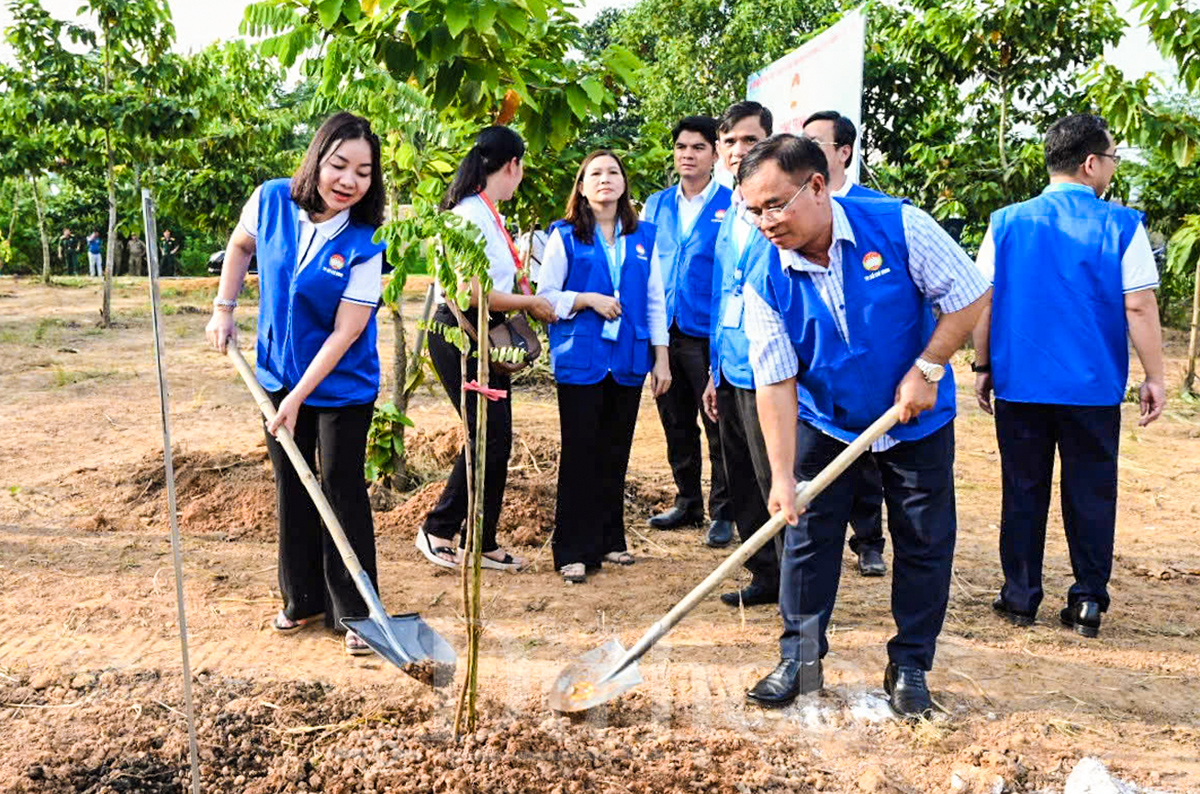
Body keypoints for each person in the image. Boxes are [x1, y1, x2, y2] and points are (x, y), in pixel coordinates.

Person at [739, 135, 991, 717]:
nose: (766, 222)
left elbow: (971, 293)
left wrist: (929, 367)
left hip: (915, 419)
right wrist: (781, 478)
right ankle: (800, 659)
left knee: (925, 540)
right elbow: (774, 381)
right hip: (827, 421)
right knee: (806, 539)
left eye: (776, 204)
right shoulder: (760, 273)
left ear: (819, 185)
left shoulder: (899, 225)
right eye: (754, 211)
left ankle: (910, 664)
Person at [974, 113, 1165, 639]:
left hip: (1021, 381)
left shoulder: (1006, 222)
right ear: (1090, 163)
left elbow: (983, 301)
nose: (1112, 169)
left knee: (1022, 488)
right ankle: (1087, 602)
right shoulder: (1122, 224)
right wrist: (1155, 375)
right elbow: (1141, 308)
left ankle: (1019, 597)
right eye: (1112, 159)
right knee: (1091, 491)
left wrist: (983, 365)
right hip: (1092, 386)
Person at [204, 112, 388, 657]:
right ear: (317, 160)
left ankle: (356, 613)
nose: (349, 181)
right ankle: (302, 597)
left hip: (343, 386)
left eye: (363, 171)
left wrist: (298, 400)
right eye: (339, 165)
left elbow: (346, 331)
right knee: (292, 483)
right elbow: (239, 248)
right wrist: (224, 308)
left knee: (340, 487)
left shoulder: (367, 239)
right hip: (277, 374)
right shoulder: (271, 201)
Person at [414, 126, 558, 573]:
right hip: (460, 336)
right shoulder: (468, 216)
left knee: (496, 440)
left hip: (483, 336)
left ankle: (481, 539)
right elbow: (467, 292)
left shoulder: (487, 213)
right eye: (522, 168)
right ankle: (438, 529)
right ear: (512, 165)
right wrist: (530, 302)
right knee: (485, 437)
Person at [537, 151, 671, 583]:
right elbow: (546, 298)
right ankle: (572, 549)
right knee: (580, 453)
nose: (605, 179)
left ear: (624, 184)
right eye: (595, 173)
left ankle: (611, 539)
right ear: (581, 186)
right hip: (582, 356)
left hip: (629, 357)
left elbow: (655, 300)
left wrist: (661, 357)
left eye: (613, 172)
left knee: (616, 450)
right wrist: (586, 300)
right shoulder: (564, 236)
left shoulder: (644, 236)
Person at [698, 101, 781, 606]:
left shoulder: (781, 207)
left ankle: (798, 583)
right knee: (743, 478)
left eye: (749, 141)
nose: (737, 150)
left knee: (776, 477)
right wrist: (712, 369)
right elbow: (719, 293)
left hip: (768, 366)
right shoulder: (728, 211)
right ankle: (764, 574)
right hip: (729, 363)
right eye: (729, 142)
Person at [801, 109, 888, 577]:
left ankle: (869, 540)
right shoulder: (791, 213)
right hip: (818, 367)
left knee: (871, 456)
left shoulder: (879, 210)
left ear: (843, 152)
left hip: (872, 362)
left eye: (817, 141)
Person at [642, 116, 735, 544]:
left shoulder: (731, 205)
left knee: (717, 423)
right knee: (675, 420)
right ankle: (687, 502)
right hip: (665, 331)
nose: (688, 155)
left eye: (698, 147)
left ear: (715, 154)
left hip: (709, 333)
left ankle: (724, 511)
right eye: (681, 147)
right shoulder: (655, 205)